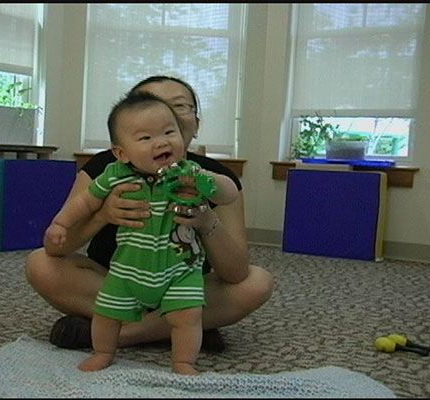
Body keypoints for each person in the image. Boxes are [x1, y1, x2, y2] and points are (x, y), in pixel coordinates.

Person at [25, 75, 274, 355]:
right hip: (117, 281)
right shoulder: (107, 169)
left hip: (183, 286)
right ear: (121, 141)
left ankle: (123, 334)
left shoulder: (211, 178)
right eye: (149, 104)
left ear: (196, 123)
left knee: (257, 282)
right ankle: (178, 328)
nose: (161, 116)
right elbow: (56, 245)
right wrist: (103, 214)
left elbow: (237, 271)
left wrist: (206, 221)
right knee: (40, 264)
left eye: (178, 106)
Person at [45, 92, 239, 374]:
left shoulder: (191, 171)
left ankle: (183, 361)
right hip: (127, 270)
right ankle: (102, 353)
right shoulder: (115, 174)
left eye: (169, 132)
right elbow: (85, 201)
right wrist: (60, 224)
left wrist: (206, 182)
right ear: (122, 153)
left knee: (188, 317)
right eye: (145, 138)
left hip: (180, 270)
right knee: (107, 314)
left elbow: (229, 193)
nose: (161, 141)